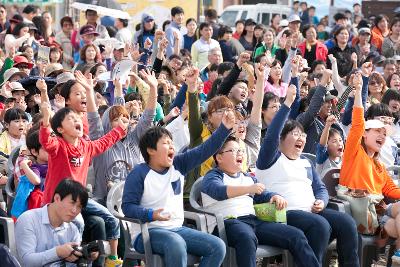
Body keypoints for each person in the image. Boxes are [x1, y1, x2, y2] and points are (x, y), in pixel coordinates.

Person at [122, 69, 232, 267]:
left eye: (172, 143)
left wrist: (224, 129)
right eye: (166, 143)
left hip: (176, 228)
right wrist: (151, 214)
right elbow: (127, 207)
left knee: (217, 246)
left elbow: (206, 149)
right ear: (150, 150)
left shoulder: (179, 164)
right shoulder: (139, 173)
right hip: (148, 231)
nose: (172, 147)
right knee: (176, 244)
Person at [255, 83, 359, 267]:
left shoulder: (305, 162)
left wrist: (322, 201)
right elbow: (271, 135)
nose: (302, 138)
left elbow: (319, 188)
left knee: (347, 223)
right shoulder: (269, 158)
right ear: (281, 139)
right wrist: (287, 103)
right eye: (296, 134)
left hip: (311, 210)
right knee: (319, 226)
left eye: (303, 135)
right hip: (283, 213)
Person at [201, 136, 320, 267]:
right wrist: (248, 189)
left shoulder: (247, 177)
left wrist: (274, 196)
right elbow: (217, 191)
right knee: (246, 237)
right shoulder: (212, 175)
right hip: (228, 223)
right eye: (234, 150)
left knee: (296, 235)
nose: (240, 153)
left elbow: (262, 193)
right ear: (219, 157)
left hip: (254, 221)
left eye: (241, 150)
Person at [338, 72, 400, 263]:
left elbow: (393, 190)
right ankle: (391, 255)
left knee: (393, 224)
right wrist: (358, 90)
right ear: (365, 134)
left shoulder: (379, 165)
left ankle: (394, 255)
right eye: (377, 131)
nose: (382, 135)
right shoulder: (354, 153)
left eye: (384, 132)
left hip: (378, 214)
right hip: (360, 213)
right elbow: (357, 123)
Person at [15, 179, 92, 267]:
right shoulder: (28, 219)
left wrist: (86, 257)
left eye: (79, 207)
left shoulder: (73, 229)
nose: (75, 210)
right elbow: (26, 262)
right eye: (72, 203)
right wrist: (58, 252)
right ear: (57, 198)